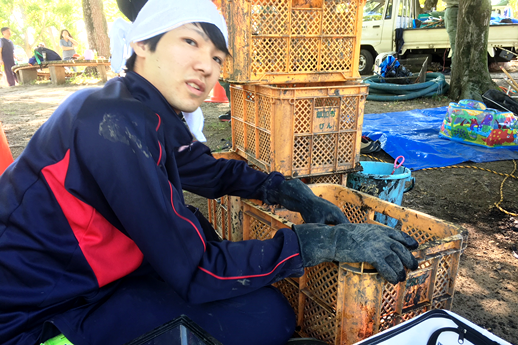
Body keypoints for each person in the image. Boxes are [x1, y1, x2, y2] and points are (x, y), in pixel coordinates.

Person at [0, 1, 420, 345]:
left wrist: (288, 191)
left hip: (94, 279)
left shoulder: (145, 112)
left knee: (260, 306)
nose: (206, 66)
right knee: (264, 316)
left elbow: (211, 173)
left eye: (217, 57)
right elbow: (197, 270)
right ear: (142, 44)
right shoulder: (113, 123)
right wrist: (315, 243)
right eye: (190, 42)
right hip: (38, 311)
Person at [444, 0, 459, 71]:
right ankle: (456, 71)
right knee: (456, 44)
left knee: (457, 45)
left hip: (457, 9)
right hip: (454, 9)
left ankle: (456, 70)